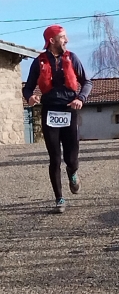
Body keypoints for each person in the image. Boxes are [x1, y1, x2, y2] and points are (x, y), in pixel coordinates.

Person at [22, 25, 92, 213]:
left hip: (70, 110)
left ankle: (72, 171)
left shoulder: (72, 58)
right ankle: (59, 198)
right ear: (52, 40)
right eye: (62, 37)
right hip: (50, 112)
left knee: (72, 157)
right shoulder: (39, 62)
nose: (66, 40)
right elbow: (27, 87)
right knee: (54, 157)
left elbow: (87, 82)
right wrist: (30, 97)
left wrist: (80, 98)